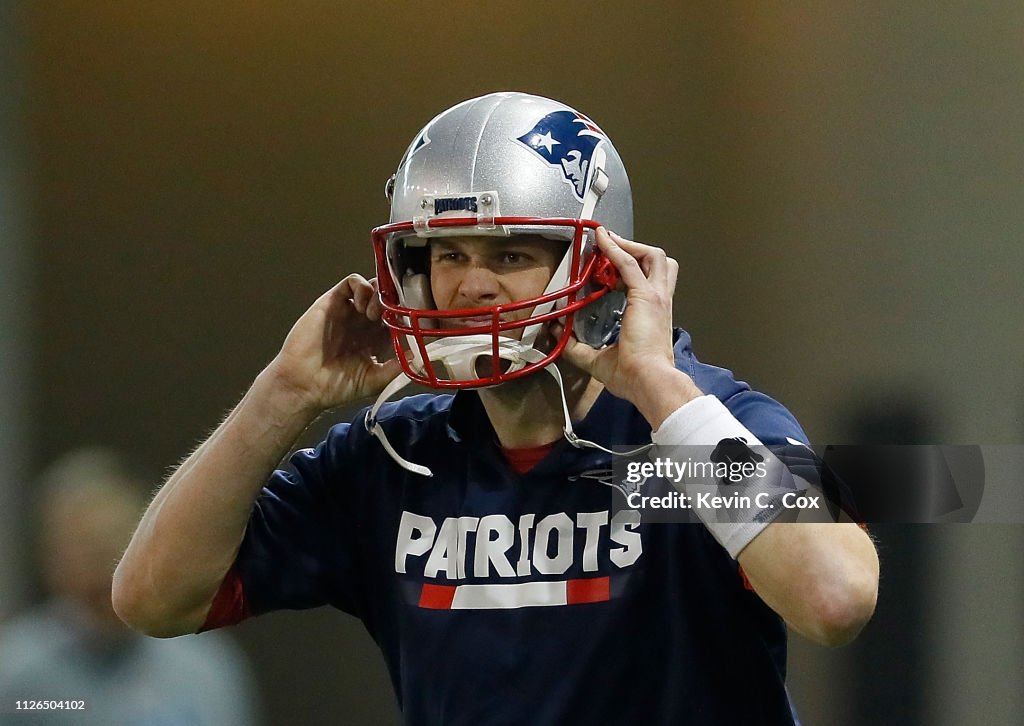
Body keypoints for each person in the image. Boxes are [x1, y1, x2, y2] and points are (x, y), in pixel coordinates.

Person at [113, 91, 879, 724]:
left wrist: (656, 389)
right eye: (448, 254)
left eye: (509, 254)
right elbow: (153, 598)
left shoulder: (694, 430)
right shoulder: (395, 456)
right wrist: (284, 394)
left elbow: (835, 598)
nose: (470, 287)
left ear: (601, 268)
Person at [0, 447, 260, 725]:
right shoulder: (17, 675)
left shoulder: (204, 668)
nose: (103, 569)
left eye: (114, 542)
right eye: (83, 548)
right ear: (50, 559)